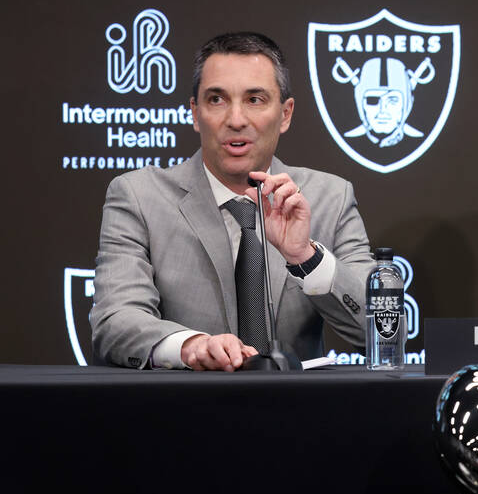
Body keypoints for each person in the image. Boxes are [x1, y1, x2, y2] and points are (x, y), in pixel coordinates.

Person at [90, 32, 372, 370]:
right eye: (217, 99)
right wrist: (190, 346)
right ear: (195, 113)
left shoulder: (330, 197)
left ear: (285, 114)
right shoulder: (139, 197)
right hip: (182, 413)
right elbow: (115, 320)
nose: (236, 119)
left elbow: (382, 330)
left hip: (298, 415)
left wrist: (305, 258)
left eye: (254, 99)